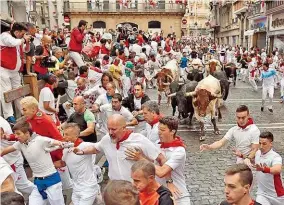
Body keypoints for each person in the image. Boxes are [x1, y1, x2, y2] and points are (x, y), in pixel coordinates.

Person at [73, 114, 161, 181]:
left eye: (114, 129)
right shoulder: (107, 139)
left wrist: (141, 158)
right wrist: (82, 152)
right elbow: (96, 148)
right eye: (109, 129)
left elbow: (159, 158)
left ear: (124, 128)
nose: (110, 132)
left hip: (135, 189)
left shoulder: (139, 140)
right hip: (116, 188)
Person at [127, 116, 190, 204]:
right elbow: (150, 161)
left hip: (177, 193)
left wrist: (141, 159)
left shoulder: (179, 151)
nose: (159, 132)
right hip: (159, 194)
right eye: (159, 129)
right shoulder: (156, 144)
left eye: (163, 130)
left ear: (173, 131)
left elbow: (161, 172)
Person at [0, 120, 65, 205]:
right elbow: (4, 151)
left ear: (27, 133)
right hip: (38, 183)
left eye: (18, 134)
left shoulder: (40, 140)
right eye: (15, 134)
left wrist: (62, 144)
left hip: (52, 181)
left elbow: (57, 142)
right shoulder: (19, 144)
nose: (16, 136)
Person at [61, 123, 100, 205]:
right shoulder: (65, 149)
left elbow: (98, 148)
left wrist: (82, 152)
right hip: (76, 189)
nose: (64, 137)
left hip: (88, 188)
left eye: (67, 135)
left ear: (76, 135)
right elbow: (62, 163)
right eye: (64, 134)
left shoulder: (85, 145)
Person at [0, 22, 31, 123]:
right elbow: (12, 43)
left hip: (14, 70)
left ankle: (23, 111)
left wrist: (27, 43)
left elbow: (26, 50)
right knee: (6, 92)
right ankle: (9, 115)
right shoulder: (5, 36)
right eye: (22, 33)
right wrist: (23, 40)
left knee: (18, 91)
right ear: (16, 32)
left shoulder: (18, 39)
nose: (23, 36)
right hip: (4, 69)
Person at [0, 116, 35, 195]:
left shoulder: (1, 123)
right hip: (7, 160)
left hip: (12, 160)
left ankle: (46, 194)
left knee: (23, 186)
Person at [254, 131, 284, 205]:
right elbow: (252, 159)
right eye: (260, 143)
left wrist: (264, 169)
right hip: (262, 194)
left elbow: (277, 169)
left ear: (271, 144)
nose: (261, 146)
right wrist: (243, 156)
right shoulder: (258, 153)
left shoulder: (275, 157)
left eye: (264, 144)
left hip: (277, 194)